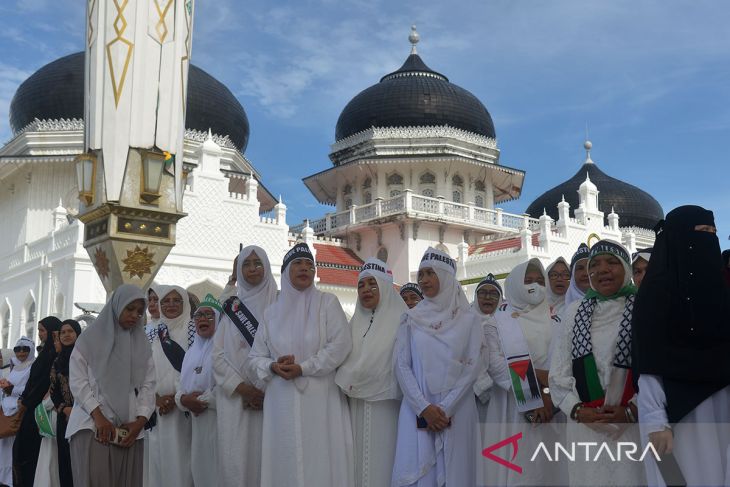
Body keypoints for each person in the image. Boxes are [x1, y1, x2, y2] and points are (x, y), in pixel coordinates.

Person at [633, 206, 730, 486]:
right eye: (701, 233)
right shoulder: (655, 294)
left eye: (713, 233)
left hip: (721, 404)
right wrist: (655, 422)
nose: (709, 239)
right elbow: (649, 365)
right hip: (678, 413)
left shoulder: (720, 291)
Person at [247, 243, 354, 487]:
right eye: (298, 263)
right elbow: (254, 359)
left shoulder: (327, 303)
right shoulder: (270, 314)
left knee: (320, 461)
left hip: (321, 400)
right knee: (284, 462)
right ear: (286, 271)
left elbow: (340, 345)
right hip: (281, 403)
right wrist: (273, 366)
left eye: (309, 264)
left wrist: (304, 367)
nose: (305, 268)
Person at [549, 240, 645, 486]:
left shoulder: (643, 307)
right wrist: (578, 410)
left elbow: (654, 371)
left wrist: (632, 410)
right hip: (585, 425)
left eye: (612, 263)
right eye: (595, 265)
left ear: (625, 268)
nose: (602, 270)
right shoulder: (574, 312)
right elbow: (558, 373)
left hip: (631, 424)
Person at [391, 247, 483, 487]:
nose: (423, 280)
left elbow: (472, 366)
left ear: (445, 275)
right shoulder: (410, 318)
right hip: (417, 409)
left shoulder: (469, 319)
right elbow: (402, 365)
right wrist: (424, 408)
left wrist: (444, 408)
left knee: (457, 473)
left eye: (430, 273)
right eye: (421, 274)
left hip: (458, 409)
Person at [66, 284, 155, 487]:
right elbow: (79, 382)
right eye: (129, 309)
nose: (135, 315)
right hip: (92, 427)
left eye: (140, 312)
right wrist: (99, 417)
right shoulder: (89, 340)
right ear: (116, 306)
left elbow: (148, 385)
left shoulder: (141, 344)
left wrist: (140, 421)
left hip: (129, 430)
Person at [483, 259, 562, 487]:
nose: (535, 286)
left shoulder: (556, 321)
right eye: (528, 281)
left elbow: (562, 363)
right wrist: (532, 392)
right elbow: (495, 364)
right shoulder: (497, 322)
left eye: (540, 281)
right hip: (511, 407)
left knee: (548, 471)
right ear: (516, 285)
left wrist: (546, 394)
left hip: (552, 406)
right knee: (513, 468)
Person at [335, 258, 407, 487]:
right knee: (356, 466)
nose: (366, 290)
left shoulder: (403, 321)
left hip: (388, 407)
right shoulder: (354, 324)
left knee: (385, 464)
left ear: (385, 286)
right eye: (361, 285)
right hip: (355, 406)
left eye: (372, 284)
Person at [213, 245, 277, 487]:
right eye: (246, 264)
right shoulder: (232, 308)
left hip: (270, 400)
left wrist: (263, 391)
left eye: (257, 263)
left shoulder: (279, 304)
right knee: (235, 467)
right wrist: (244, 389)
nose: (252, 269)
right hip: (235, 401)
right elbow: (217, 356)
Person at [146, 285, 195, 487]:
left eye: (177, 300)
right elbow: (144, 372)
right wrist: (156, 399)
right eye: (165, 301)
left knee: (183, 464)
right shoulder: (154, 334)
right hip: (158, 409)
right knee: (159, 464)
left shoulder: (193, 329)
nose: (171, 305)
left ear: (185, 304)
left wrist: (177, 397)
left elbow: (197, 367)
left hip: (185, 408)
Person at [177, 294, 221, 487]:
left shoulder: (224, 348)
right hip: (195, 425)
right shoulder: (190, 353)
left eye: (209, 315)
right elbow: (180, 386)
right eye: (199, 315)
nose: (203, 319)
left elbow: (229, 385)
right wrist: (184, 400)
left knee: (218, 471)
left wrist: (203, 401)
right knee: (200, 472)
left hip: (219, 421)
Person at [12, 316, 62, 487]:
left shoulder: (53, 356)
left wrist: (26, 401)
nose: (40, 334)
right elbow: (32, 381)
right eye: (39, 330)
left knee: (30, 454)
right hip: (30, 408)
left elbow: (42, 384)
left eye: (42, 330)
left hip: (38, 411)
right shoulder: (45, 354)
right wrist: (23, 398)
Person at [49, 319, 83, 487]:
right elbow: (53, 391)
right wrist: (65, 409)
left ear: (78, 333)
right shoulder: (58, 361)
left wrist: (79, 409)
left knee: (82, 461)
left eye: (70, 331)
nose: (66, 335)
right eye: (63, 332)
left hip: (86, 416)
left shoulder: (86, 357)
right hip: (65, 417)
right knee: (65, 460)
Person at [0, 337, 35, 486]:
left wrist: (12, 390)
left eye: (25, 349)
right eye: (17, 349)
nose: (21, 352)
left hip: (19, 413)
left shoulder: (33, 366)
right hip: (5, 412)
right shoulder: (12, 366)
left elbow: (31, 390)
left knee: (14, 452)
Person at [564, 243, 591, 308]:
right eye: (580, 268)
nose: (586, 273)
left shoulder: (611, 305)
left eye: (589, 267)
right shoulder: (561, 313)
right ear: (572, 275)